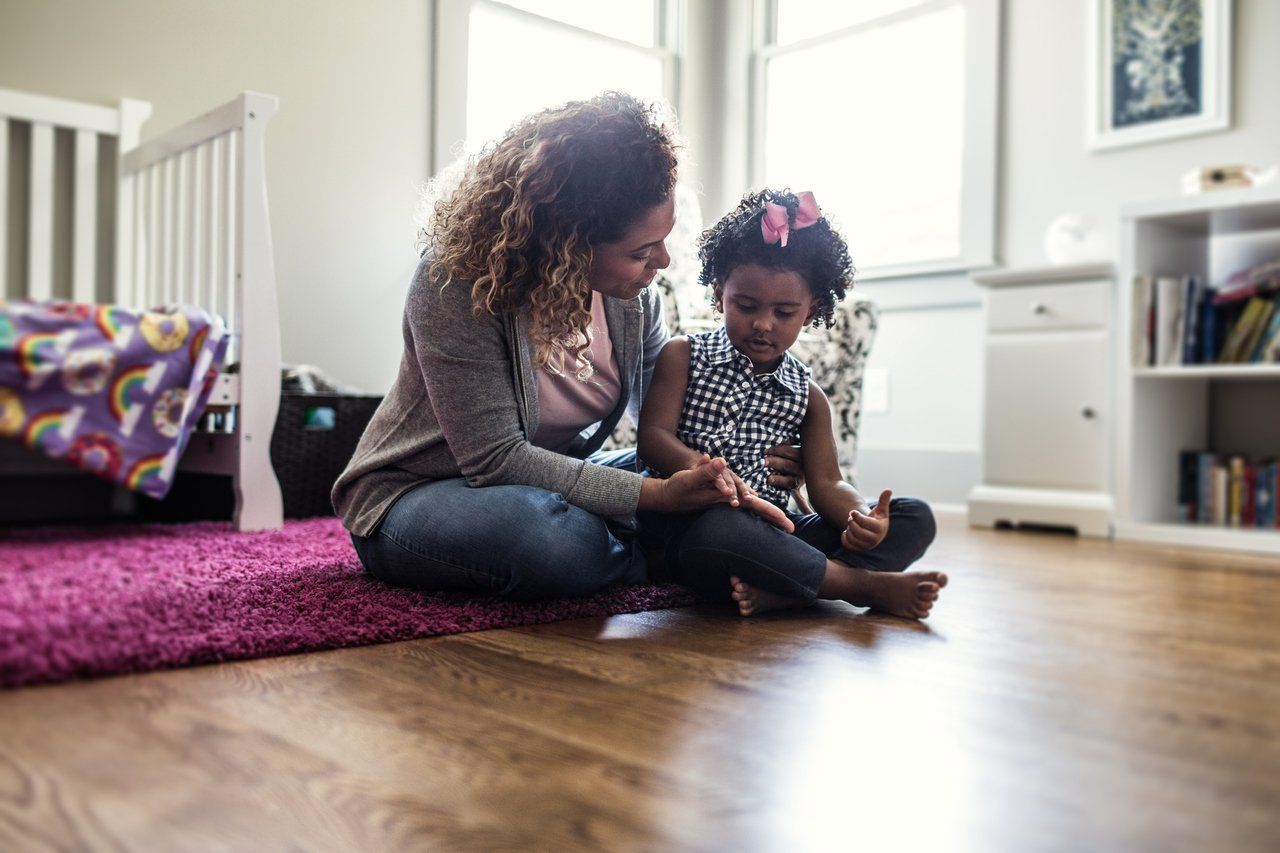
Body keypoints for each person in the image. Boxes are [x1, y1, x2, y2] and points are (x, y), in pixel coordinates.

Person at [331, 93, 807, 601]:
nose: (663, 262)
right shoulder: (455, 283)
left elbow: (679, 415)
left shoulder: (633, 299)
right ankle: (670, 553)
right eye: (642, 251)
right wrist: (660, 498)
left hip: (556, 479)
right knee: (544, 536)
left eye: (664, 240)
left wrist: (745, 459)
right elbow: (496, 461)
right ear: (568, 241)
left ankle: (654, 545)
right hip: (420, 491)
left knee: (705, 496)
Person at [637, 189, 945, 619]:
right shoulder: (682, 356)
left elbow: (828, 485)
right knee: (725, 529)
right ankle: (856, 585)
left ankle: (791, 589)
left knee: (914, 517)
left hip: (776, 532)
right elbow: (651, 440)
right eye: (745, 306)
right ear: (721, 290)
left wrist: (861, 517)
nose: (763, 324)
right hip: (693, 529)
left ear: (811, 308)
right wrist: (708, 474)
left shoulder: (808, 395)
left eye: (784, 312)